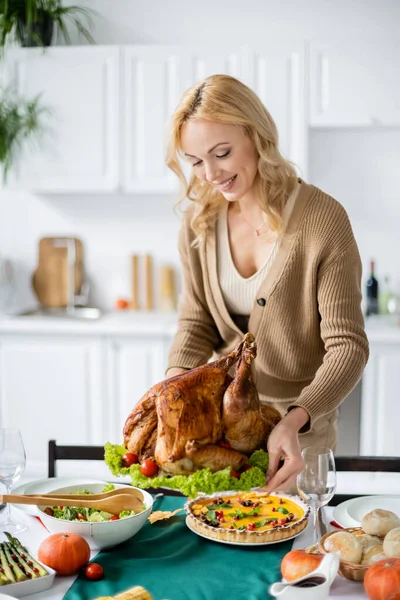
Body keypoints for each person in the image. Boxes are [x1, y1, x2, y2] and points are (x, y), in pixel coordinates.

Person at [164, 74, 369, 493]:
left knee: (293, 553)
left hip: (297, 441)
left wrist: (296, 418)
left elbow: (348, 346)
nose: (210, 174)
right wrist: (171, 392)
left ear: (257, 136)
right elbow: (196, 321)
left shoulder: (321, 220)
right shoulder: (198, 222)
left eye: (221, 153)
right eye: (196, 161)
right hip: (221, 440)